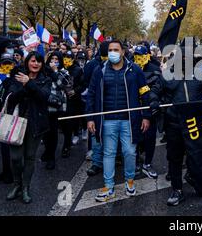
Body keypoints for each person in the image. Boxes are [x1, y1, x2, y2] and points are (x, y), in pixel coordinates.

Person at [150, 41, 202, 206]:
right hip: (174, 125)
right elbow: (154, 91)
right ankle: (177, 189)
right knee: (175, 158)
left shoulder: (198, 74)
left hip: (195, 124)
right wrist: (154, 102)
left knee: (196, 155)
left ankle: (195, 179)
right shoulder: (167, 76)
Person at [86, 40, 151, 202]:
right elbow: (91, 95)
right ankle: (109, 187)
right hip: (107, 121)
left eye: (116, 49)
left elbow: (145, 93)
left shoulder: (134, 70)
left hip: (130, 121)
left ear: (123, 52)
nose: (112, 52)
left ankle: (130, 181)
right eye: (110, 50)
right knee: (108, 154)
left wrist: (146, 115)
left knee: (129, 152)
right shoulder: (99, 70)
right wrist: (90, 118)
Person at [5, 51, 51, 204]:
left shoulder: (46, 80)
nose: (36, 64)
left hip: (35, 124)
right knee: (16, 158)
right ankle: (17, 184)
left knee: (30, 157)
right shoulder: (17, 76)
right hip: (16, 123)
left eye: (39, 61)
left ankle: (25, 188)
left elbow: (44, 97)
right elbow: (11, 99)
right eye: (33, 61)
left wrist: (29, 83)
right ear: (27, 62)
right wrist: (24, 85)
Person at [132, 44, 162, 179]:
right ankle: (136, 162)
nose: (138, 59)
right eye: (136, 56)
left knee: (150, 138)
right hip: (134, 110)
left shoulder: (155, 70)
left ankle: (148, 163)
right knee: (135, 138)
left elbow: (159, 89)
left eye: (141, 56)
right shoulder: (130, 68)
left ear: (147, 56)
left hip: (150, 110)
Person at [41, 51, 71, 170]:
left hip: (56, 106)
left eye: (56, 59)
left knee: (53, 132)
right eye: (52, 59)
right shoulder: (43, 71)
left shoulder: (64, 72)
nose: (54, 61)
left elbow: (63, 85)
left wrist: (54, 72)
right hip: (44, 104)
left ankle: (51, 157)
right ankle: (47, 151)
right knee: (44, 132)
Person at [84, 41, 109, 176]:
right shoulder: (94, 66)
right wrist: (90, 116)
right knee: (96, 136)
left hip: (113, 108)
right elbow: (90, 90)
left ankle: (108, 160)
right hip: (98, 108)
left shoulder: (121, 66)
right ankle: (97, 163)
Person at [0, 53, 17, 184]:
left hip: (8, 115)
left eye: (9, 64)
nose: (6, 66)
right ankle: (6, 171)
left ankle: (10, 174)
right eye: (3, 64)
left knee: (7, 147)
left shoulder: (15, 78)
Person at [62, 51, 85, 157]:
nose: (67, 59)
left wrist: (75, 91)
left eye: (69, 57)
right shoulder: (60, 69)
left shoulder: (78, 70)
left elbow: (83, 84)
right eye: (65, 57)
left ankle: (66, 146)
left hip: (73, 101)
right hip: (60, 100)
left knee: (69, 123)